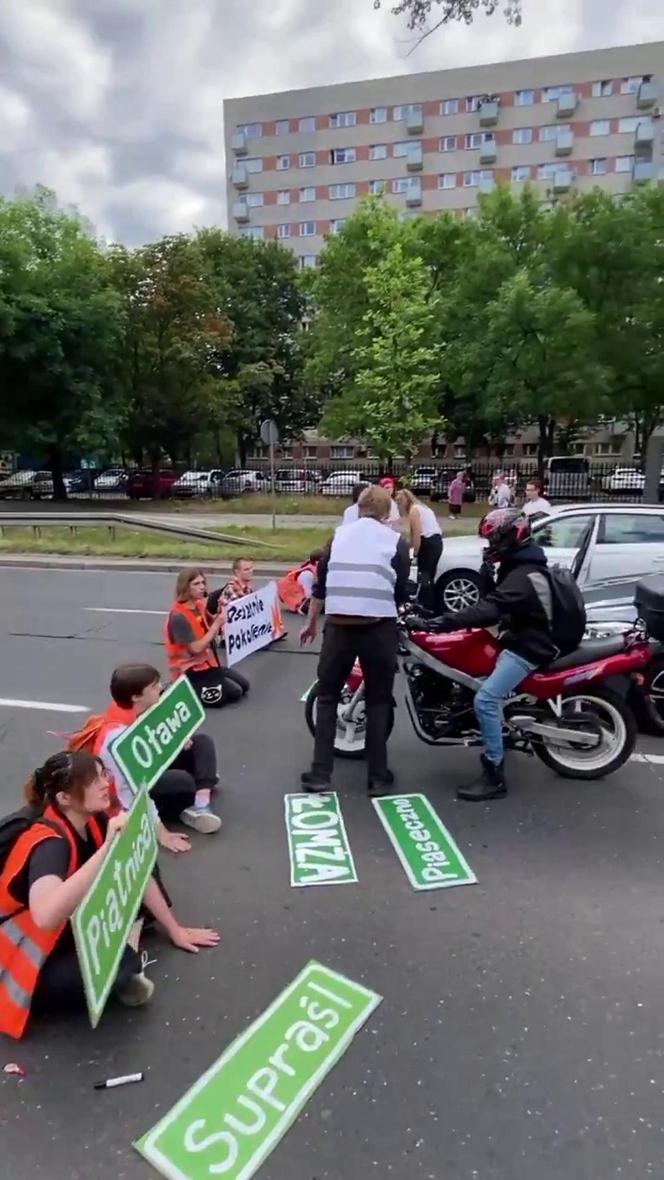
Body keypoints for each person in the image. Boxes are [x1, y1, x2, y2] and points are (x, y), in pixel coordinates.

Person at [0, 752, 220, 1039]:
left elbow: (136, 870)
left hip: (59, 932)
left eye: (103, 774)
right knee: (117, 965)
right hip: (17, 955)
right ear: (65, 798)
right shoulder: (49, 844)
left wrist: (175, 930)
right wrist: (107, 850)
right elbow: (45, 915)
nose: (105, 783)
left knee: (143, 867)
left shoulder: (93, 819)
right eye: (92, 780)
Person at [430, 508, 557, 802]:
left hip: (530, 646)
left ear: (513, 536)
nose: (490, 546)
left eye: (494, 540)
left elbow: (489, 609)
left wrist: (440, 621)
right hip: (518, 637)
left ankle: (494, 774)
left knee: (485, 699)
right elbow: (494, 601)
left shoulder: (525, 574)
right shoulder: (519, 565)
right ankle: (501, 734)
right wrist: (486, 575)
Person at [300, 485, 410, 796]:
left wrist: (310, 623)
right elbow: (401, 590)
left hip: (339, 628)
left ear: (359, 509)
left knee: (327, 697)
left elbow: (320, 586)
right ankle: (377, 777)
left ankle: (320, 774)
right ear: (387, 514)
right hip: (378, 629)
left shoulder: (338, 538)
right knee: (377, 700)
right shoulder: (396, 542)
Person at [95, 663, 221, 836]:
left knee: (201, 742)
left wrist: (175, 742)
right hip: (133, 787)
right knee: (183, 782)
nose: (160, 688)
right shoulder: (117, 738)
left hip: (151, 767)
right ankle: (198, 788)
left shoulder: (139, 709)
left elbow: (155, 744)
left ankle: (200, 805)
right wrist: (161, 833)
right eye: (154, 687)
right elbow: (130, 789)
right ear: (135, 697)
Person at [165, 568, 250, 708]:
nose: (202, 587)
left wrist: (224, 611)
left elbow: (211, 622)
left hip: (206, 665)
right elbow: (196, 649)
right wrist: (217, 624)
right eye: (196, 584)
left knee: (243, 686)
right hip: (190, 669)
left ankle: (202, 685)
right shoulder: (178, 617)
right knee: (232, 694)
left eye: (203, 583)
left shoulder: (199, 605)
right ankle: (178, 688)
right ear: (185, 587)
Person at [396, 488, 443, 612]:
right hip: (436, 541)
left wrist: (414, 554)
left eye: (399, 502)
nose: (398, 505)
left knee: (424, 575)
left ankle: (425, 605)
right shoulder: (422, 507)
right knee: (428, 574)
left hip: (428, 543)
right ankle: (430, 602)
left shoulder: (414, 511)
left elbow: (416, 535)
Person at [277, 549, 325, 615]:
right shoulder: (307, 574)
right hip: (300, 600)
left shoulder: (315, 570)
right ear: (317, 562)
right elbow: (308, 594)